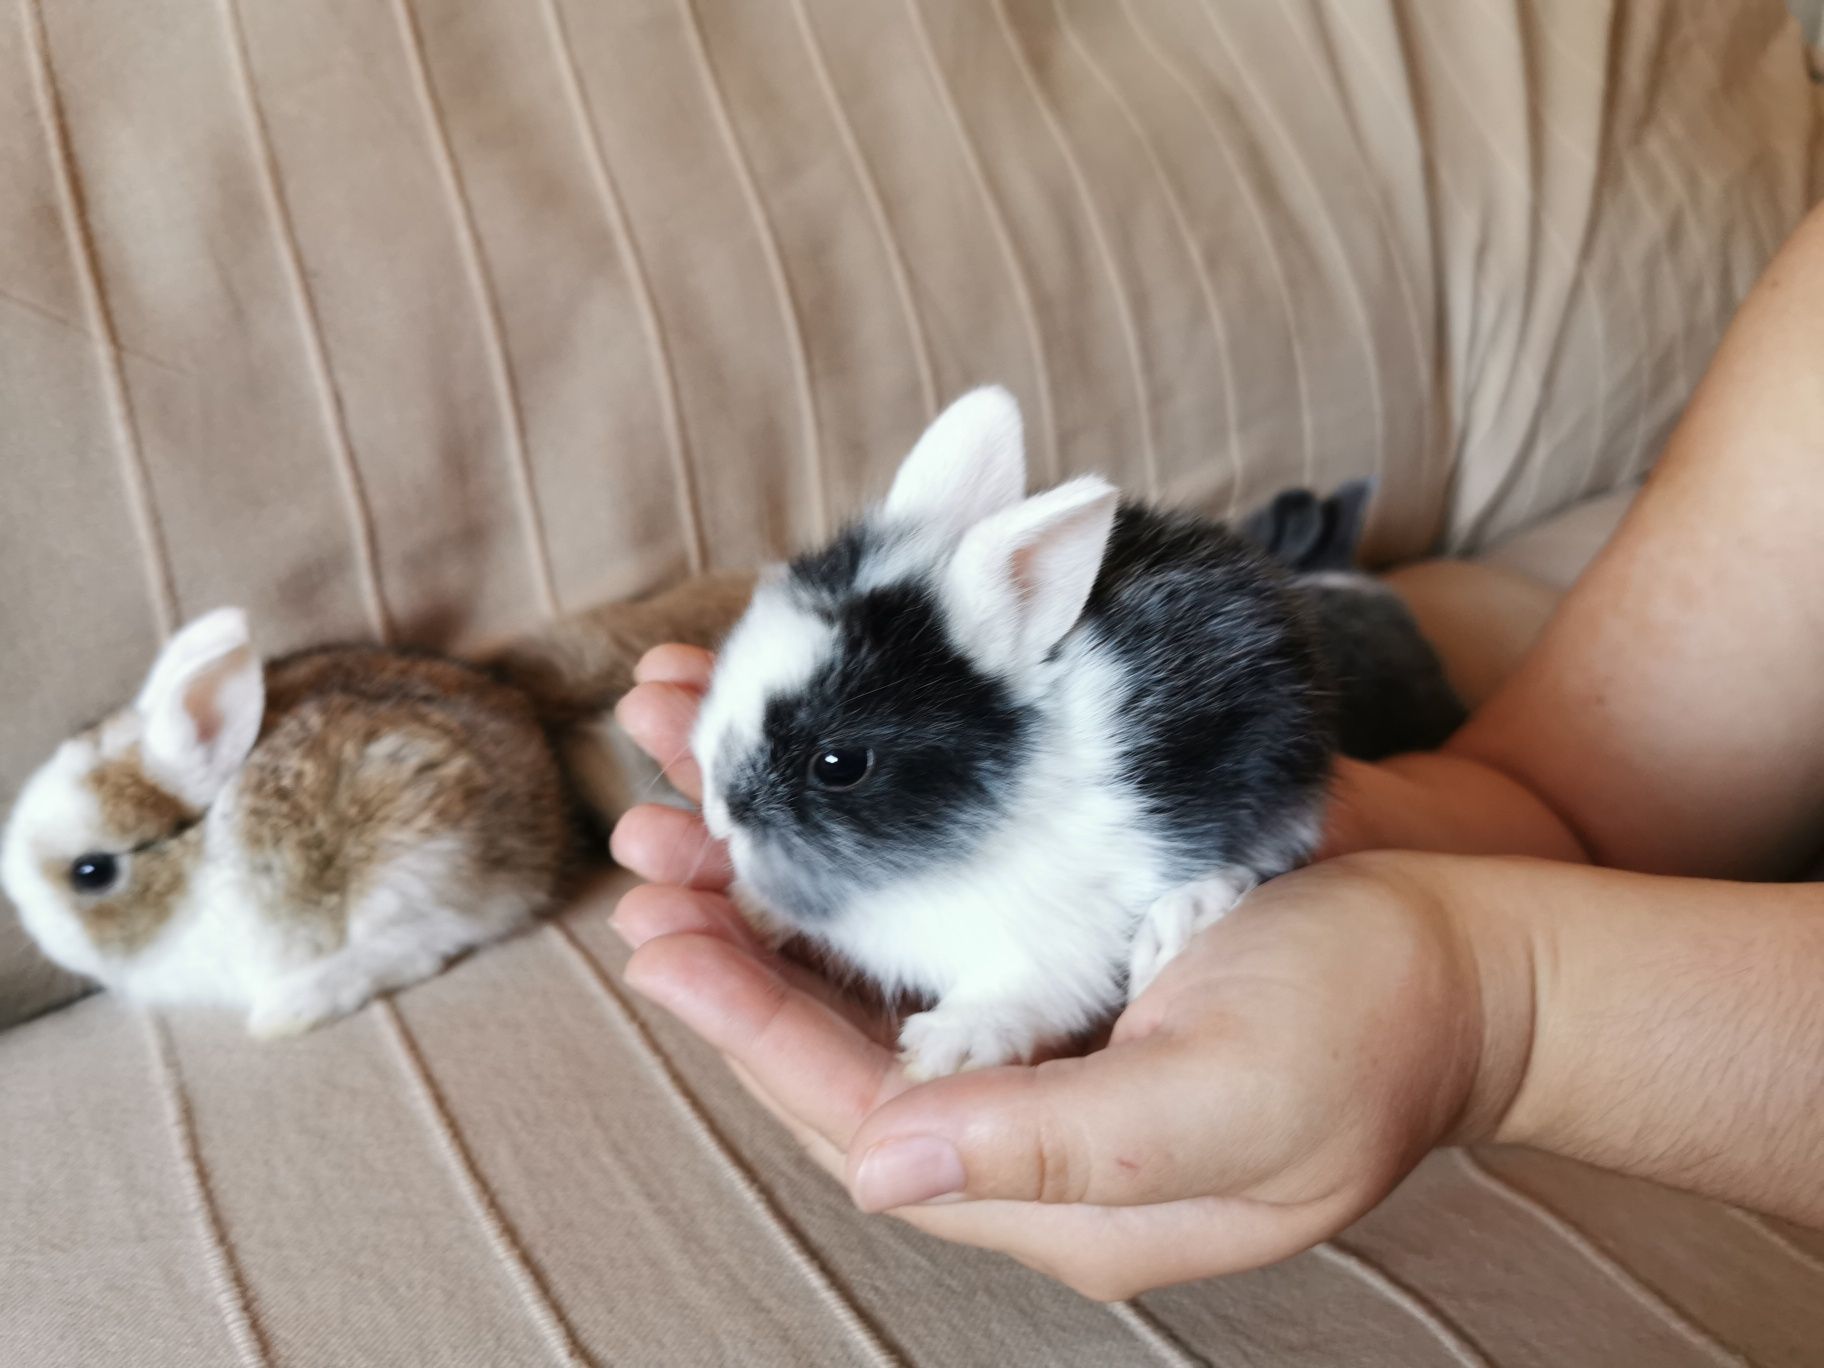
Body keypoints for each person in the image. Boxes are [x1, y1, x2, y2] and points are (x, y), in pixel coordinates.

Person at [605, 203, 1824, 1301]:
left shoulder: (1061, 804)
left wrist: (1497, 1012)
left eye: (833, 771)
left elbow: (1057, 942)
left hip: (1199, 787)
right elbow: (1573, 798)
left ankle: (1244, 852)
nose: (724, 807)